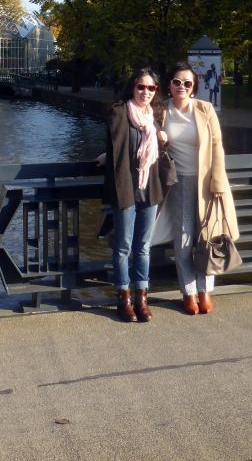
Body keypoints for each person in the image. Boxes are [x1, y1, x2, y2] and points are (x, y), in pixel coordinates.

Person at [161, 61, 239, 315]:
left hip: (207, 182)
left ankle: (206, 291)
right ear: (169, 85)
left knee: (207, 238)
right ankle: (189, 293)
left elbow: (218, 145)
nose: (181, 86)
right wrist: (108, 156)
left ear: (193, 86)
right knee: (183, 241)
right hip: (178, 182)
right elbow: (141, 139)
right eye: (177, 82)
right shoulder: (161, 111)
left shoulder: (205, 109)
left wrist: (218, 180)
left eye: (187, 82)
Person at [102, 67, 166, 323]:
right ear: (132, 87)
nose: (146, 92)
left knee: (143, 248)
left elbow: (153, 153)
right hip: (126, 187)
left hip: (149, 188)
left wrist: (163, 139)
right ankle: (124, 298)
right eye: (142, 87)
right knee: (123, 247)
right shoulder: (119, 112)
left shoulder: (155, 116)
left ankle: (142, 298)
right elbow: (116, 148)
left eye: (152, 88)